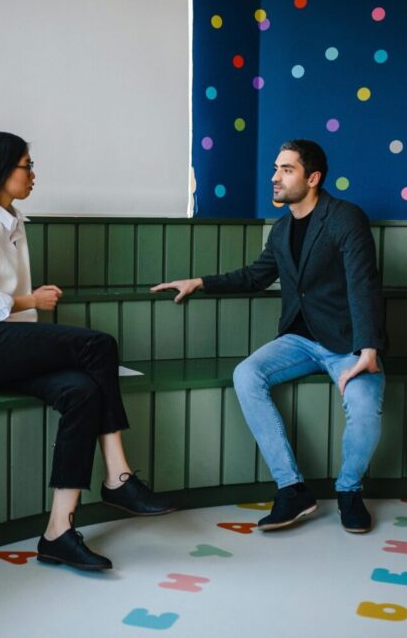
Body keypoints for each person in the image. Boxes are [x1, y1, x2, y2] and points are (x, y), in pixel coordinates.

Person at [0, 131, 175, 572]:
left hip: (4, 345)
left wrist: (28, 316)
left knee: (82, 391)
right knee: (99, 345)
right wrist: (31, 301)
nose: (33, 174)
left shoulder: (13, 221)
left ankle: (58, 532)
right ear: (2, 170)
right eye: (27, 166)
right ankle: (118, 476)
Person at [152, 139, 385, 534]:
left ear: (313, 178)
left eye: (287, 170)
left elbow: (363, 283)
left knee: (365, 410)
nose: (275, 178)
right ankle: (292, 488)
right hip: (299, 339)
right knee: (247, 374)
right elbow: (255, 276)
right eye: (275, 169)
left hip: (348, 342)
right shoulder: (281, 230)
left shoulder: (346, 218)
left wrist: (369, 348)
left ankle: (349, 490)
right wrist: (199, 282)